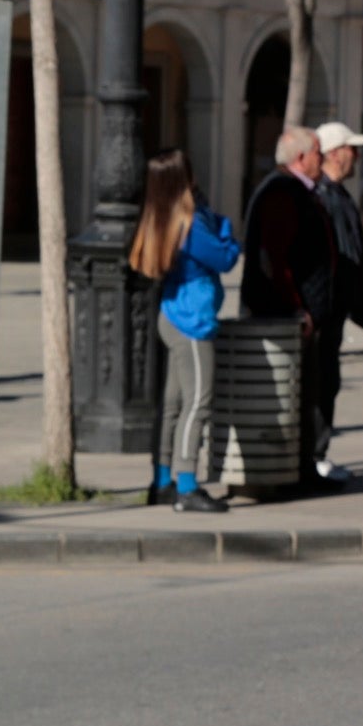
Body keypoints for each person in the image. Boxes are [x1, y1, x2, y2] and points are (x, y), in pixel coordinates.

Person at [130, 149, 242, 513]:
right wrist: (224, 227)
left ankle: (163, 481)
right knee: (197, 402)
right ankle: (187, 486)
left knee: (174, 405)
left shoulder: (163, 217)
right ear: (185, 177)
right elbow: (226, 258)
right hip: (193, 322)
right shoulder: (191, 223)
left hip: (174, 314)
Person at [242, 124, 340, 495]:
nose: (324, 158)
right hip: (288, 319)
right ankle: (294, 474)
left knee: (305, 396)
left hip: (298, 316)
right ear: (301, 157)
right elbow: (275, 258)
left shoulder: (295, 190)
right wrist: (297, 309)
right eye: (318, 152)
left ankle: (302, 471)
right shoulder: (283, 191)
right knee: (295, 398)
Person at [312, 121, 363, 483]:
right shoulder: (324, 196)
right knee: (321, 381)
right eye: (352, 149)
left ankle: (320, 451)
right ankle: (316, 454)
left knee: (328, 380)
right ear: (335, 154)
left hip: (337, 308)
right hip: (327, 308)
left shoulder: (339, 194)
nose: (358, 155)